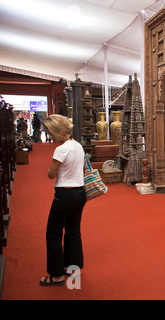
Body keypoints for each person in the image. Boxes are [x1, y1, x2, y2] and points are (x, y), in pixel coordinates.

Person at [39, 114, 86, 286]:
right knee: (73, 230)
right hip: (80, 193)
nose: (50, 136)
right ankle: (73, 267)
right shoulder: (78, 145)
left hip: (65, 195)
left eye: (51, 133)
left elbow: (51, 174)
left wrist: (51, 169)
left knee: (53, 233)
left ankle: (56, 275)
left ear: (58, 131)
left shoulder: (61, 149)